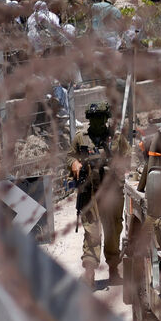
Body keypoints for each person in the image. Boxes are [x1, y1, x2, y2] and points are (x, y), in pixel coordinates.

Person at [69, 102, 124, 288]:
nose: (97, 121)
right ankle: (90, 273)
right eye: (93, 117)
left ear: (106, 118)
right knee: (91, 232)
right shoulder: (80, 138)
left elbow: (129, 158)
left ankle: (114, 270)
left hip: (112, 193)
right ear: (89, 119)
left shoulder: (116, 139)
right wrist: (74, 163)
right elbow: (69, 156)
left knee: (113, 231)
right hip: (89, 193)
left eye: (100, 117)